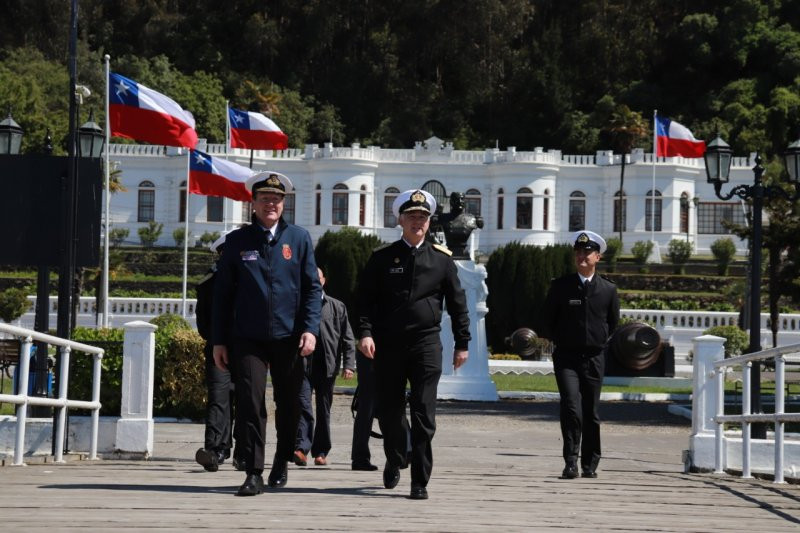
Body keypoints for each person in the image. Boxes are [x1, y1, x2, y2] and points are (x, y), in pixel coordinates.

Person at [212, 171, 322, 497]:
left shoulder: (299, 239)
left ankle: (281, 460)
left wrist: (310, 330)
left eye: (276, 199)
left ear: (283, 204)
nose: (270, 204)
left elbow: (311, 290)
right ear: (254, 202)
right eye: (264, 198)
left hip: (289, 337)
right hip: (248, 337)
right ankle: (253, 471)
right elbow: (223, 296)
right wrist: (219, 340)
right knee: (250, 401)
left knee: (288, 405)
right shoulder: (237, 242)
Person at [357, 189, 470, 500]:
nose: (417, 222)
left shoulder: (442, 260)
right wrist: (364, 333)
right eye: (412, 217)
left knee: (423, 413)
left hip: (425, 344)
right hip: (388, 344)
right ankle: (396, 456)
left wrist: (463, 342)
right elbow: (364, 301)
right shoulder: (381, 258)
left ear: (429, 222)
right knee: (389, 411)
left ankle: (419, 481)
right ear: (400, 220)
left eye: (423, 217)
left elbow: (458, 303)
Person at [538, 230, 620, 480]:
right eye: (578, 252)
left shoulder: (608, 289)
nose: (582, 256)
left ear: (598, 257)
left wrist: (598, 341)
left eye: (587, 252)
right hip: (567, 358)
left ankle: (590, 463)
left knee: (591, 411)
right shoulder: (561, 286)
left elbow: (613, 322)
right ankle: (571, 461)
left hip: (594, 358)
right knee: (571, 407)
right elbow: (547, 319)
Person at [293, 267, 356, 467]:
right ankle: (301, 449)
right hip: (302, 365)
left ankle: (320, 451)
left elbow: (347, 338)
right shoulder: (297, 305)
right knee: (303, 406)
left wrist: (349, 365)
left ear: (323, 281)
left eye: (316, 277)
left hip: (327, 366)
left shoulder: (337, 307)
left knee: (323, 408)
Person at [195, 231, 243, 472]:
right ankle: (215, 450)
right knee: (218, 398)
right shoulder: (209, 284)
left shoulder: (250, 279)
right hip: (217, 347)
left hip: (247, 348)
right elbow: (202, 320)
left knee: (246, 400)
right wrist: (216, 341)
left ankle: (244, 452)